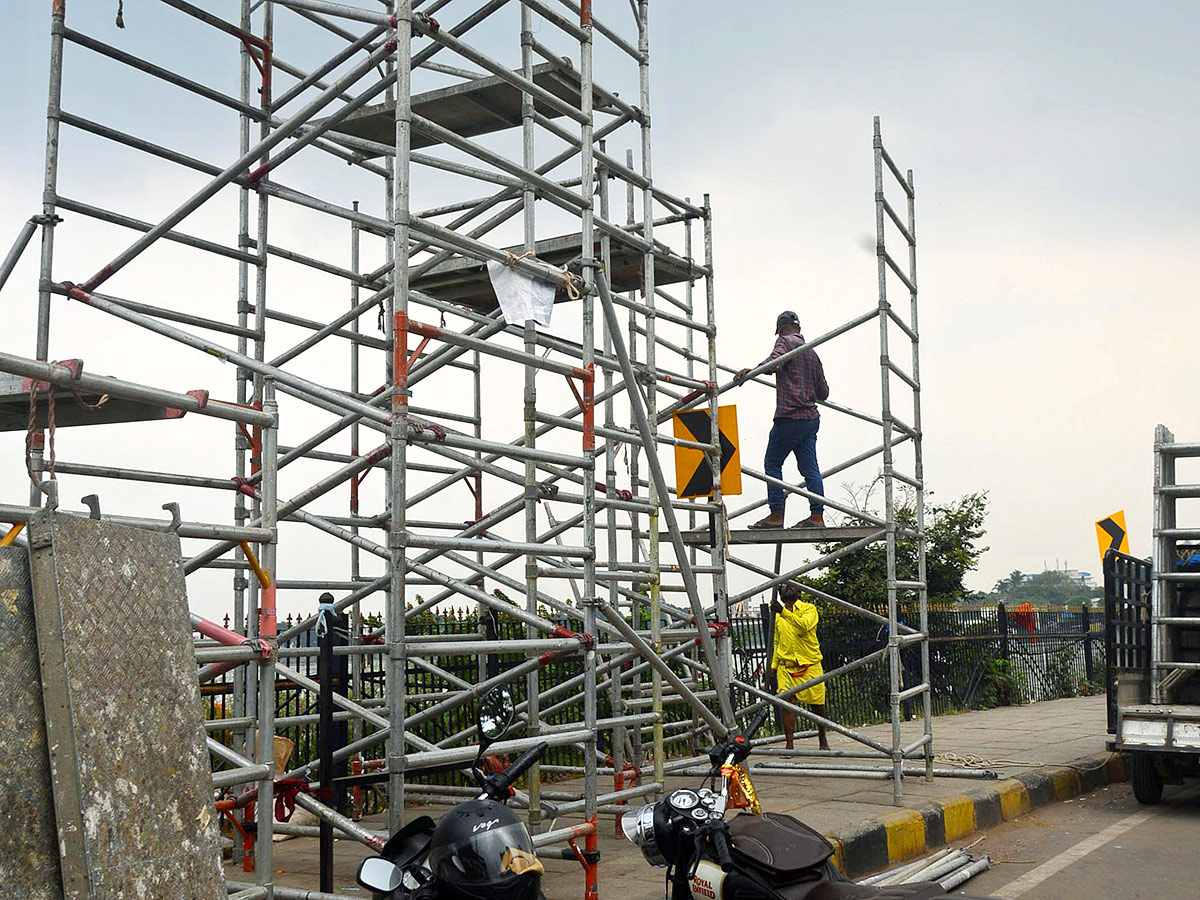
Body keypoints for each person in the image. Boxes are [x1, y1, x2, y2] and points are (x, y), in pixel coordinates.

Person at [735, 310, 829, 528]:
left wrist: (752, 371)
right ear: (800, 328)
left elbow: (774, 363)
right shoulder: (812, 353)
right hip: (810, 419)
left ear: (779, 329)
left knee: (773, 463)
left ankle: (776, 515)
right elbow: (823, 392)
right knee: (810, 469)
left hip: (790, 417)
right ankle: (817, 516)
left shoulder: (785, 342)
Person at [769, 581, 830, 751]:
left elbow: (803, 625)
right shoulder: (778, 616)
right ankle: (789, 744)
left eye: (792, 586)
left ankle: (822, 737)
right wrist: (773, 666)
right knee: (787, 703)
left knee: (818, 705)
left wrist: (783, 612)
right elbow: (777, 641)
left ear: (800, 592)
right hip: (786, 666)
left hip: (809, 664)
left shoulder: (809, 609)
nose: (787, 588)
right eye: (784, 586)